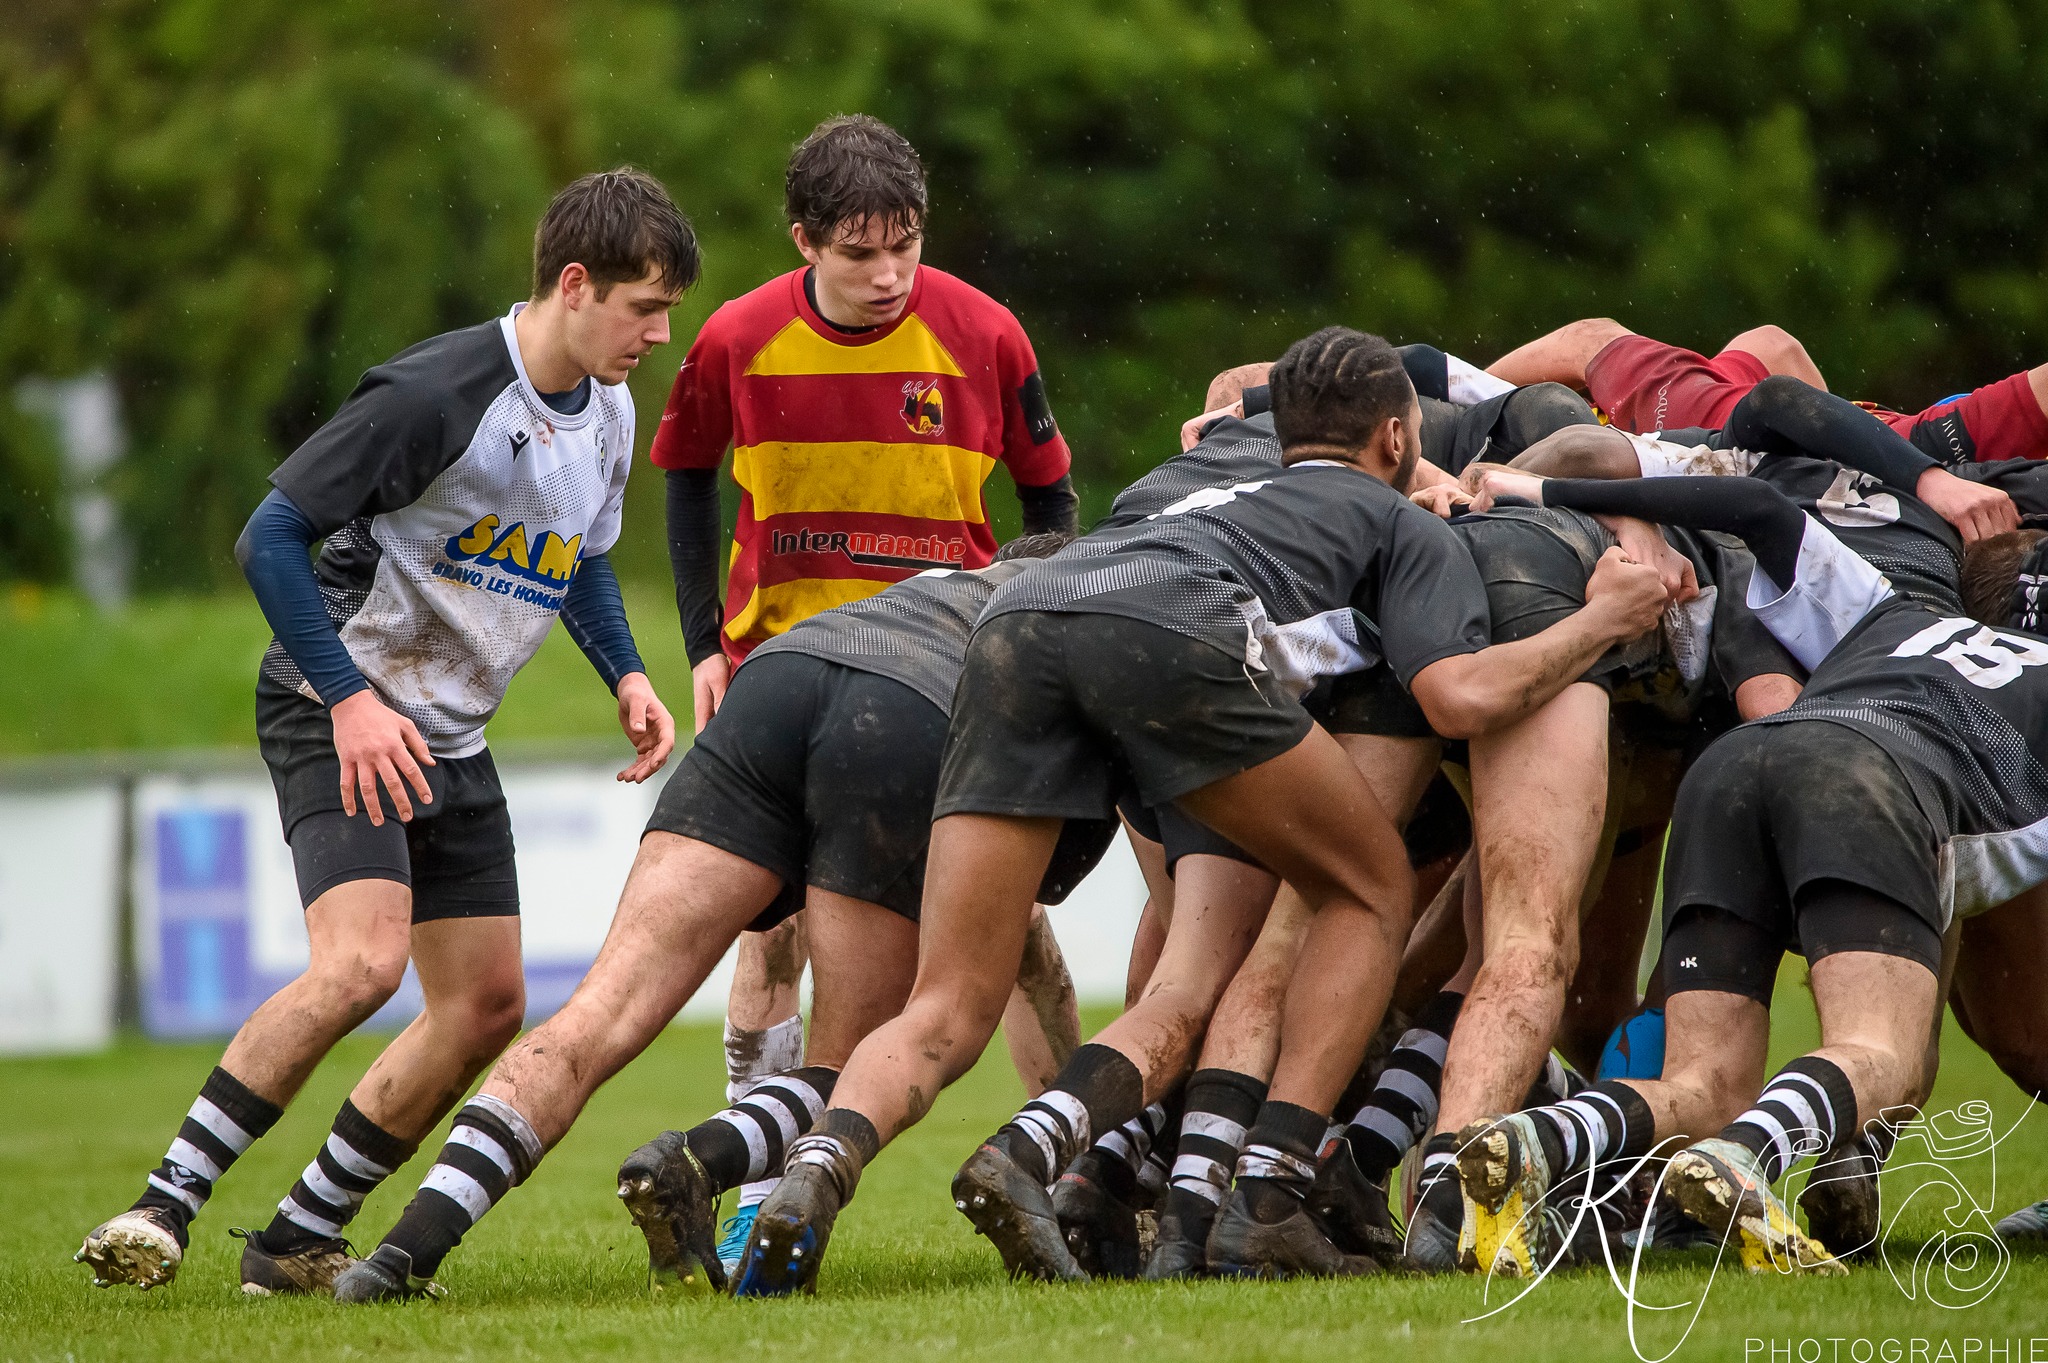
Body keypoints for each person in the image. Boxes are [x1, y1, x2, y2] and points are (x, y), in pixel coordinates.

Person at [728, 326, 1668, 1294]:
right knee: (1368, 888)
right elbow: (1456, 699)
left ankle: (817, 1170)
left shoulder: (1210, 480)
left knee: (952, 996)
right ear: (1395, 437)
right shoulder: (1401, 525)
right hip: (1171, 634)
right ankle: (1268, 1197)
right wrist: (1601, 617)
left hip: (1021, 615)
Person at [72, 170, 696, 1296]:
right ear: (571, 284)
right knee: (361, 964)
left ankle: (298, 1240)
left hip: (447, 733)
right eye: (643, 307)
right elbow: (269, 536)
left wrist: (626, 671)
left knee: (486, 1005)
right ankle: (158, 1206)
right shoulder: (438, 393)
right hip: (336, 703)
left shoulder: (606, 406)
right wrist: (352, 702)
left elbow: (582, 551)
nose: (660, 331)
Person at [327, 533, 1103, 1302]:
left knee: (597, 1013)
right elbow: (1021, 903)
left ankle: (399, 1255)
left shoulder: (942, 586)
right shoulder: (1061, 632)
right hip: (905, 711)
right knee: (845, 1070)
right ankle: (692, 1160)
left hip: (779, 676)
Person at [651, 115, 1081, 1249]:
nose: (888, 273)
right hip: (784, 679)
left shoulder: (985, 332)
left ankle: (1075, 1166)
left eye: (905, 244)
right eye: (858, 251)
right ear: (803, 240)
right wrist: (704, 642)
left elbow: (1052, 508)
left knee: (1021, 939)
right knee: (768, 938)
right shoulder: (736, 339)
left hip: (946, 687)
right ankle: (750, 1202)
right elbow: (686, 482)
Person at [1452, 466, 2048, 1278]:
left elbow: (1754, 506)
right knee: (1883, 1052)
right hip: (1867, 785)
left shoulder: (1900, 608)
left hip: (1736, 765)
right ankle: (1749, 1155)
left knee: (1706, 1084)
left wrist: (1542, 486)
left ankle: (1535, 1137)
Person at [1489, 317, 2048, 468]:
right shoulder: (1688, 405)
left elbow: (1771, 348)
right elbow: (1774, 347)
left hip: (1907, 445)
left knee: (1596, 340)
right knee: (1594, 340)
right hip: (1914, 443)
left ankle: (1438, 400)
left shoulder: (1681, 413)